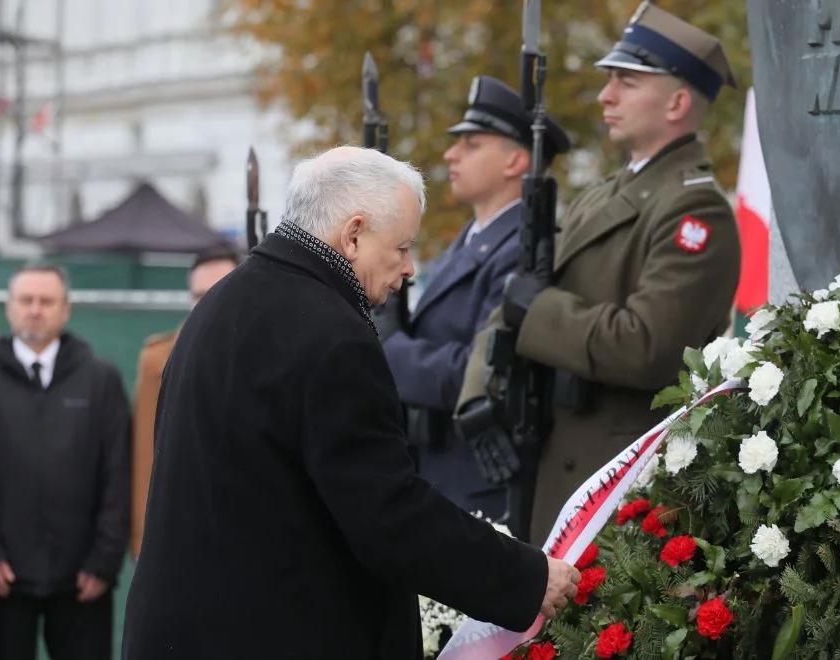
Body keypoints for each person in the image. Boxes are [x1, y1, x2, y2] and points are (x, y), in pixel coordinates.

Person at [123, 146, 580, 659]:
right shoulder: (331, 334)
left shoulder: (225, 302)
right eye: (402, 247)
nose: (409, 269)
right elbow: (386, 513)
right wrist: (526, 576)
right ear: (354, 233)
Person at [457, 2, 743, 543]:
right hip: (553, 465)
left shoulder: (693, 212)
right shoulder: (604, 194)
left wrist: (537, 312)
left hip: (616, 484)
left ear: (678, 101)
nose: (605, 96)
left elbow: (647, 347)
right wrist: (477, 392)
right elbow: (516, 298)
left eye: (626, 82)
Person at [377, 76, 570, 519]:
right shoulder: (469, 242)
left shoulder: (522, 251)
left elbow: (479, 370)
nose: (451, 154)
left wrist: (389, 350)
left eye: (472, 143)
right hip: (439, 470)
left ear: (516, 160)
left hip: (480, 483)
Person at [0, 264, 129, 660]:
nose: (36, 309)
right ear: (9, 308)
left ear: (66, 309)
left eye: (47, 301)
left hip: (82, 580)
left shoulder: (101, 379)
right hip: (0, 580)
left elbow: (116, 474)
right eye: (26, 300)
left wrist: (104, 561)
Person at [130, 246, 239, 558]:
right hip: (181, 537)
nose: (207, 304)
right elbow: (146, 455)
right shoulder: (159, 360)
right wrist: (143, 540)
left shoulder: (271, 354)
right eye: (198, 294)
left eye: (219, 291)